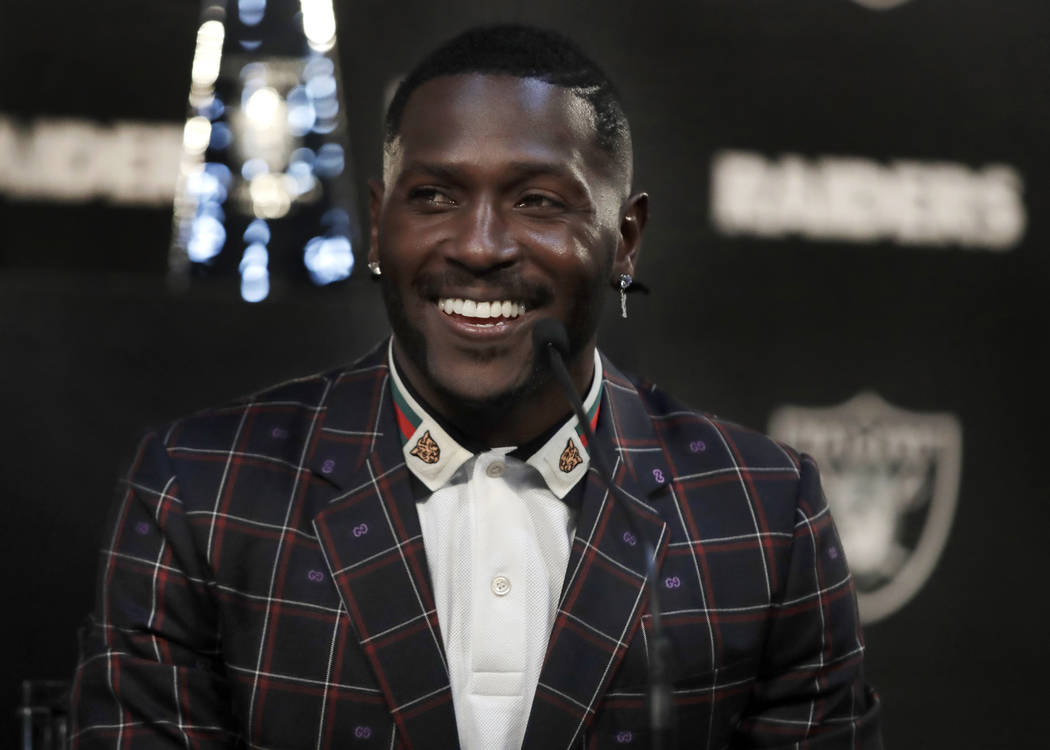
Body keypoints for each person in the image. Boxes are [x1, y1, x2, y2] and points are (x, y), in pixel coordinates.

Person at [71, 24, 881, 750]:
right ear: (381, 224)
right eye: (435, 197)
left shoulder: (764, 513)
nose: (482, 245)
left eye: (537, 200)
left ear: (625, 240)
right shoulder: (201, 491)